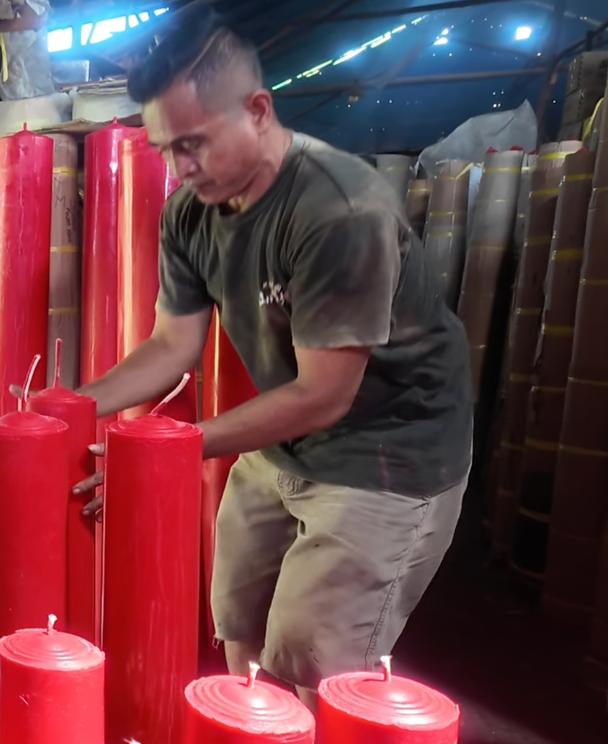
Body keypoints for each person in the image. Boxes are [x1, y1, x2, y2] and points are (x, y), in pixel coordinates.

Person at [73, 8, 473, 706]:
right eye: (165, 149)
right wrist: (72, 406)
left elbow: (324, 394)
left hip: (385, 453)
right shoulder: (190, 213)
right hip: (288, 443)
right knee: (239, 622)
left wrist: (168, 450)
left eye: (193, 143)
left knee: (311, 661)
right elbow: (172, 345)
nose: (179, 168)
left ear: (258, 111)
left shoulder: (339, 210)